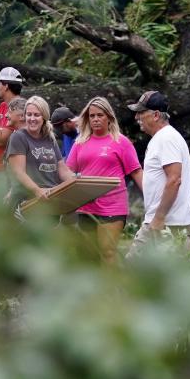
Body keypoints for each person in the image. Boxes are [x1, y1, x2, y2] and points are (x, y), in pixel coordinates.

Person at [66, 96, 143, 266]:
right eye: (91, 116)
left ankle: (114, 292)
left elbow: (137, 172)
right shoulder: (80, 142)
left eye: (100, 115)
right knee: (87, 255)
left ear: (109, 117)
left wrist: (153, 199)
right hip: (86, 207)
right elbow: (67, 171)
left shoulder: (121, 142)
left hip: (113, 206)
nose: (95, 119)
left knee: (107, 252)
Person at [127, 90, 190, 255]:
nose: (136, 117)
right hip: (168, 222)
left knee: (128, 272)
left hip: (167, 224)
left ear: (156, 115)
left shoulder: (166, 139)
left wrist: (159, 218)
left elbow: (174, 180)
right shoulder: (163, 138)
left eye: (141, 112)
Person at [6, 95, 75, 213]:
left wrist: (76, 181)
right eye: (29, 114)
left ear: (44, 117)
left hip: (51, 198)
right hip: (26, 201)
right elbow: (19, 172)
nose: (32, 118)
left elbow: (62, 169)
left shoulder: (50, 138)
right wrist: (37, 190)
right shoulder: (18, 137)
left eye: (36, 115)